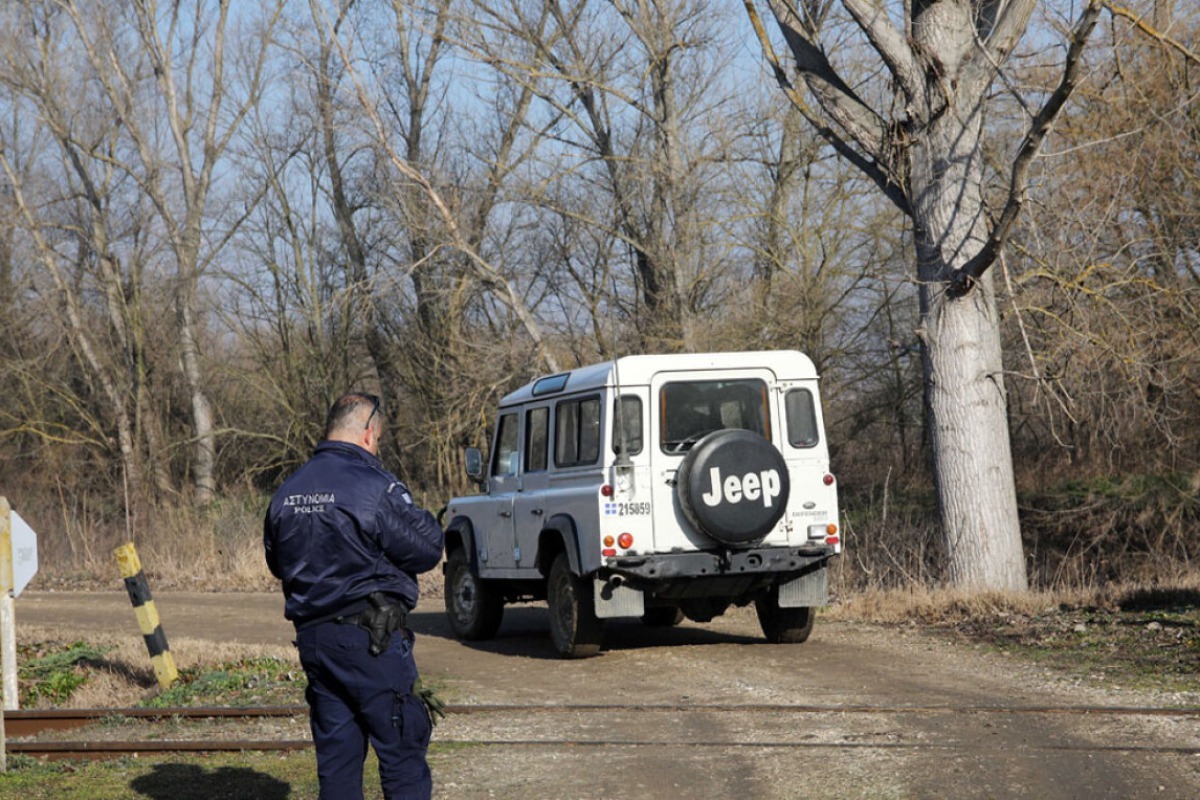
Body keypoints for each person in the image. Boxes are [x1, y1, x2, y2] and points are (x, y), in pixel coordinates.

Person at [264, 393, 444, 800]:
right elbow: (427, 548)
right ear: (367, 433)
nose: (376, 447)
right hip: (372, 641)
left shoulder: (287, 491)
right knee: (402, 751)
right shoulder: (373, 487)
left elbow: (278, 563)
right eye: (377, 439)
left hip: (316, 642)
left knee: (338, 761)